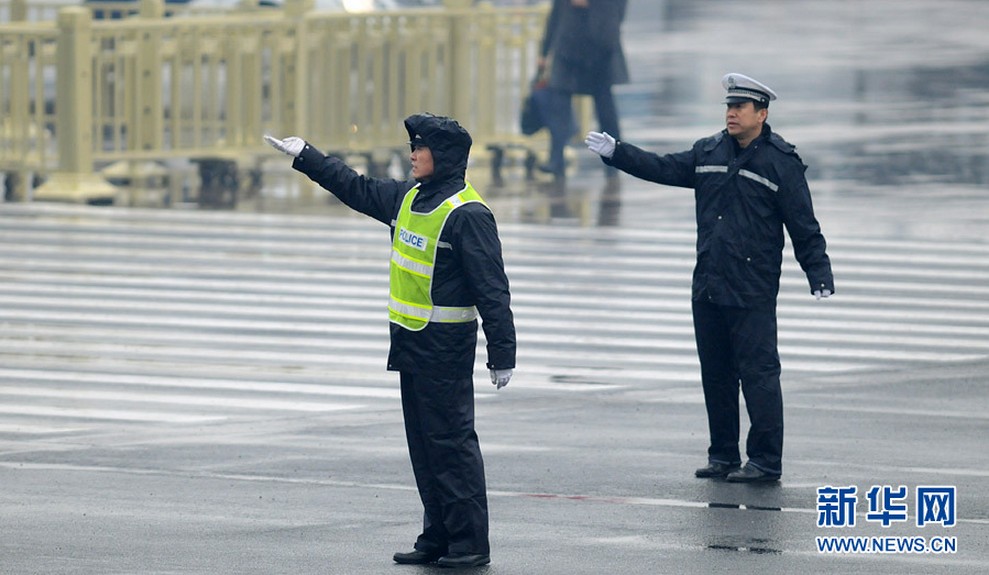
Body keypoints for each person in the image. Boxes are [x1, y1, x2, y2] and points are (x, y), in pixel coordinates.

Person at [265, 112, 516, 568]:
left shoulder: (467, 214)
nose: (413, 155)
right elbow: (356, 188)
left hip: (445, 348)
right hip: (411, 343)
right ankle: (437, 536)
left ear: (444, 157)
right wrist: (308, 156)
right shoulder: (410, 199)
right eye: (413, 148)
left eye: (421, 149)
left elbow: (492, 289)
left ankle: (469, 542)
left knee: (452, 446)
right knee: (424, 447)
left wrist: (502, 352)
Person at [585, 73, 835, 483]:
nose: (731, 113)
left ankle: (766, 461)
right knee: (716, 375)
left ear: (762, 113)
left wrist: (818, 271)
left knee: (759, 376)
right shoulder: (709, 151)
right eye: (728, 107)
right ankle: (722, 456)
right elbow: (663, 168)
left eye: (740, 107)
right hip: (709, 285)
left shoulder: (780, 161)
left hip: (752, 288)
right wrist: (618, 153)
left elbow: (803, 224)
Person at [538, 0, 628, 179]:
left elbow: (619, 8)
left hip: (599, 47)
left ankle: (615, 158)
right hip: (568, 46)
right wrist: (544, 51)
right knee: (559, 104)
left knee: (605, 109)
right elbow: (556, 13)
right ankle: (556, 158)